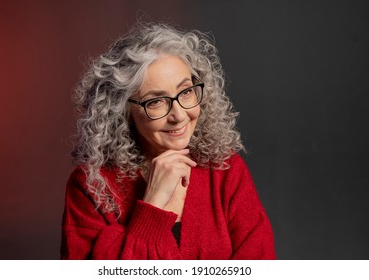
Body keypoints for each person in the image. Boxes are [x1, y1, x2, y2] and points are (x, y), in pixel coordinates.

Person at [61, 22, 276, 260]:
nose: (179, 115)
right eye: (155, 101)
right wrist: (153, 205)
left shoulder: (226, 170)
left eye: (186, 92)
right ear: (122, 111)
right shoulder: (91, 186)